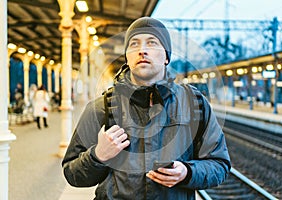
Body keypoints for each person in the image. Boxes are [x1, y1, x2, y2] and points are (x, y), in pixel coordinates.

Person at [62, 17, 231, 200]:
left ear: (166, 57)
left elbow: (219, 164)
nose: (142, 50)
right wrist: (97, 156)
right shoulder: (101, 108)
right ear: (127, 56)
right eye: (134, 44)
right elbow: (72, 174)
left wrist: (188, 172)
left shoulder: (194, 104)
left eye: (152, 43)